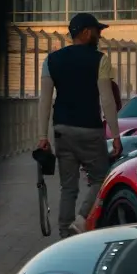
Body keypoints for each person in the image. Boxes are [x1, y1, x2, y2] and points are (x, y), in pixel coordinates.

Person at [37, 12, 121, 237]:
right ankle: (82, 219)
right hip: (90, 130)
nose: (99, 35)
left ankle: (64, 234)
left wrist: (42, 137)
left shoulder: (51, 60)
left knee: (68, 187)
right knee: (101, 179)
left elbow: (44, 101)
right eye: (97, 31)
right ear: (85, 32)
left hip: (62, 130)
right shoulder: (100, 59)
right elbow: (107, 100)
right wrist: (115, 135)